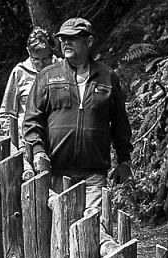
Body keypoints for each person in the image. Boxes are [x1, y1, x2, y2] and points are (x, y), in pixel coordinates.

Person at [20, 16, 132, 212]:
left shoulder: (108, 77)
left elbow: (120, 123)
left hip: (94, 175)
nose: (66, 43)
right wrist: (38, 151)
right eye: (63, 39)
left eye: (72, 38)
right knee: (59, 234)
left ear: (89, 41)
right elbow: (31, 121)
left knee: (94, 230)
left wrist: (124, 160)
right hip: (55, 173)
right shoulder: (47, 76)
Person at [0, 26, 53, 142]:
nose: (41, 64)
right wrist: (15, 139)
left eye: (45, 59)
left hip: (55, 143)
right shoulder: (19, 72)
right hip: (26, 142)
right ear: (28, 52)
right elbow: (6, 112)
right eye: (36, 59)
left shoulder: (62, 69)